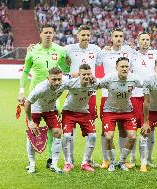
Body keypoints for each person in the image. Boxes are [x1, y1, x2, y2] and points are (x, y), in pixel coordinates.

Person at [18, 24, 69, 169]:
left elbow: (66, 68)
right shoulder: (33, 50)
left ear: (53, 34)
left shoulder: (60, 50)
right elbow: (25, 71)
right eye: (45, 32)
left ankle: (51, 159)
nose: (48, 35)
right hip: (36, 95)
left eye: (50, 32)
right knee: (33, 128)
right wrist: (21, 90)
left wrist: (70, 68)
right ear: (40, 34)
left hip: (53, 97)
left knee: (55, 128)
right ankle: (31, 161)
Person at [96, 28, 136, 169]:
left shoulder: (129, 52)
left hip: (124, 96)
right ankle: (106, 159)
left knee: (123, 130)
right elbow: (91, 61)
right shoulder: (104, 52)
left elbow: (144, 56)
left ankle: (122, 160)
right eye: (116, 36)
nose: (119, 38)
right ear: (111, 38)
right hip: (107, 97)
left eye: (121, 36)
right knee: (106, 131)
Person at [63, 25, 101, 167]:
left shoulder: (96, 49)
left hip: (90, 93)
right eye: (83, 35)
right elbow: (58, 61)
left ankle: (88, 160)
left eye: (87, 35)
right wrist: (69, 74)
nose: (85, 37)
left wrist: (109, 49)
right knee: (70, 129)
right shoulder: (68, 49)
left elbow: (104, 59)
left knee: (90, 127)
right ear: (77, 36)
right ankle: (70, 160)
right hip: (73, 91)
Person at [99, 57, 142, 172]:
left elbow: (146, 85)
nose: (124, 69)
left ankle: (122, 162)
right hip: (110, 111)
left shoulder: (134, 79)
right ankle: (112, 162)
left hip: (127, 111)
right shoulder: (109, 78)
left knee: (132, 137)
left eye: (126, 66)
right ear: (116, 68)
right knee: (108, 136)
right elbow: (97, 84)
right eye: (122, 66)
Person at [24, 67, 69, 174]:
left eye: (59, 79)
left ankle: (54, 164)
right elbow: (27, 103)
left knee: (58, 132)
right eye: (54, 79)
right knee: (32, 134)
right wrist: (30, 122)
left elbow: (76, 80)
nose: (57, 82)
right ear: (48, 78)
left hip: (50, 109)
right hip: (36, 109)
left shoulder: (64, 83)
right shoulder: (40, 88)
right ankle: (32, 164)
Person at [130, 31, 157, 167]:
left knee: (150, 128)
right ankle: (132, 158)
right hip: (134, 97)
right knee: (132, 128)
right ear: (138, 40)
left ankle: (148, 158)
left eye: (147, 39)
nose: (145, 42)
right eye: (142, 39)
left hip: (151, 97)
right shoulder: (132, 55)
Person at [61, 64, 97, 173]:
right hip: (69, 112)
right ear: (79, 75)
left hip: (84, 112)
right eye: (83, 74)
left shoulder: (94, 83)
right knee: (67, 136)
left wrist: (95, 80)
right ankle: (68, 162)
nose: (86, 76)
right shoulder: (72, 83)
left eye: (88, 74)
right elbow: (58, 85)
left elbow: (107, 83)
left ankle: (85, 163)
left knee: (93, 136)